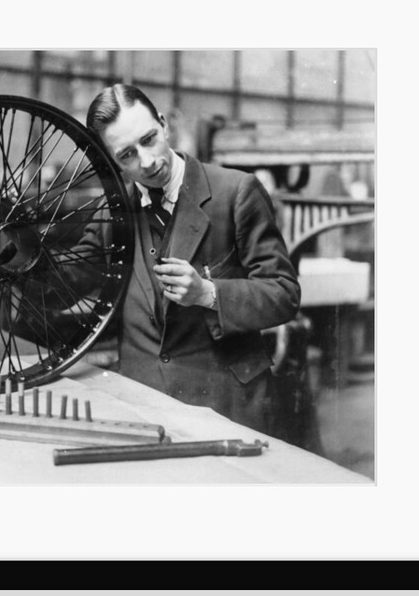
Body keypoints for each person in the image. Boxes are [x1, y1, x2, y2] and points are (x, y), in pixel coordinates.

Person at [79, 84, 301, 433]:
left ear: (164, 124)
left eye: (149, 139)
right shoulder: (111, 212)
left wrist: (208, 294)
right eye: (127, 155)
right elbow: (68, 279)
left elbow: (284, 294)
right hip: (144, 409)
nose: (147, 161)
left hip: (227, 406)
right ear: (110, 160)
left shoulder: (236, 192)